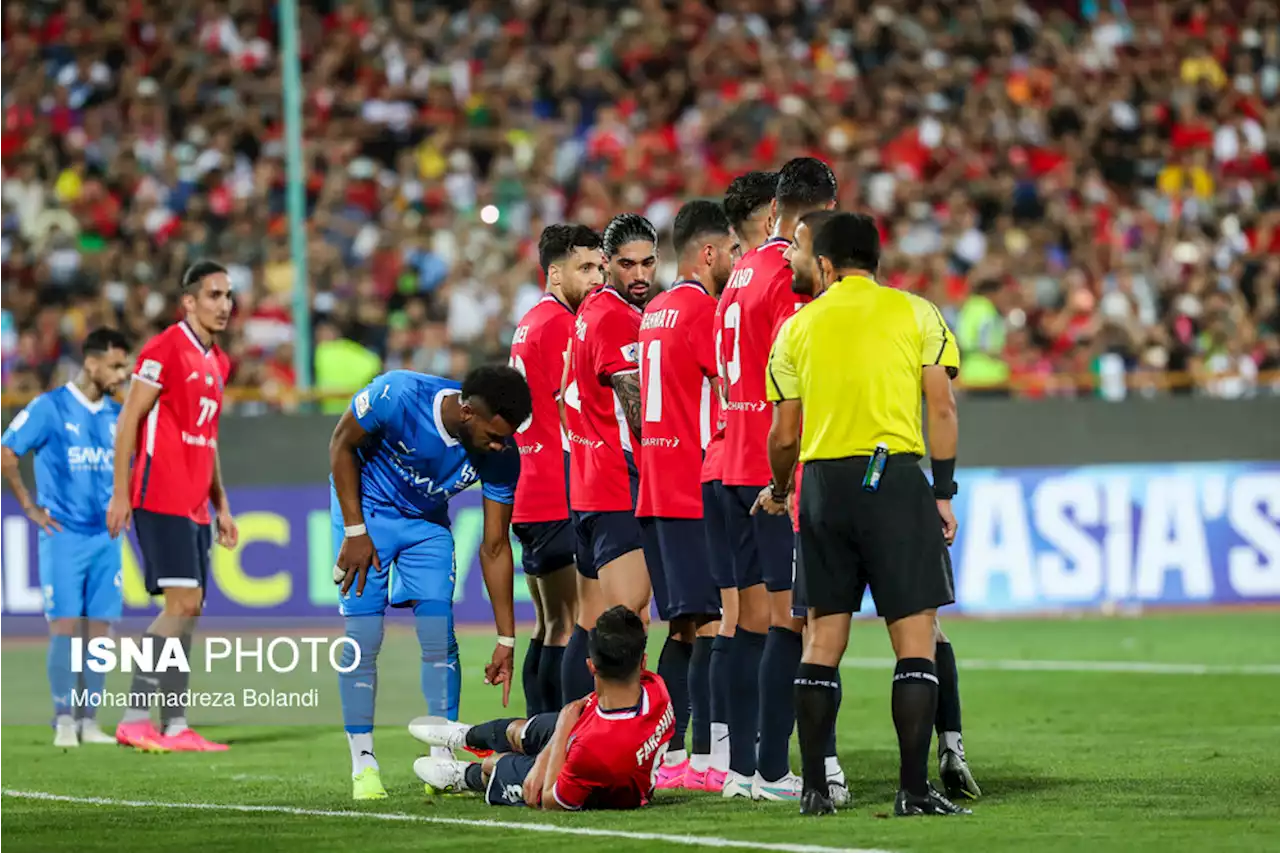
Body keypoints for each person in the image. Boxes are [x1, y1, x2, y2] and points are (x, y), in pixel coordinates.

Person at [756, 211, 971, 817]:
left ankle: (816, 789)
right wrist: (944, 491)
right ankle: (912, 789)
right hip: (896, 478)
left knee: (822, 641)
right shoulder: (917, 313)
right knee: (914, 641)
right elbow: (943, 407)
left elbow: (783, 433)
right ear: (876, 261)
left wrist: (780, 487)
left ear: (824, 265)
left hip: (823, 485)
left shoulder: (798, 327)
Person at [328, 364, 532, 800]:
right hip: (367, 514)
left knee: (440, 637)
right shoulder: (397, 395)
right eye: (494, 435)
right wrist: (354, 532)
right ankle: (363, 763)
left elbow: (495, 546)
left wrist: (506, 640)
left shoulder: (501, 455)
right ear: (466, 413)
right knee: (363, 640)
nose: (501, 445)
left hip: (427, 526)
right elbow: (341, 445)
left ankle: (442, 759)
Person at [713, 158, 836, 801]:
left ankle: (738, 771)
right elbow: (801, 368)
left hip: (728, 461)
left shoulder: (736, 275)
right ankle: (773, 769)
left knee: (748, 625)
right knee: (796, 624)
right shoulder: (791, 275)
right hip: (772, 469)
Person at [107, 261, 240, 754]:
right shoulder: (164, 348)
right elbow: (128, 422)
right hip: (158, 493)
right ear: (188, 302)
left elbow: (208, 440)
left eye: (228, 295)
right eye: (214, 294)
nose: (224, 304)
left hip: (195, 504)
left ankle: (174, 724)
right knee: (181, 605)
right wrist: (121, 492)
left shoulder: (219, 362)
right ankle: (135, 718)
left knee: (189, 611)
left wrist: (221, 504)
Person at [636, 200, 737, 792]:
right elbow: (725, 387)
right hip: (690, 487)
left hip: (653, 489)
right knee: (712, 625)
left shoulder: (654, 311)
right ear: (707, 253)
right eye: (728, 250)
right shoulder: (701, 310)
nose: (733, 260)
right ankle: (705, 758)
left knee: (681, 627)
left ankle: (671, 754)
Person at [408, 605, 673, 811]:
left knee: (497, 765)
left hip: (594, 777)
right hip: (603, 742)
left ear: (591, 666)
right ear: (643, 663)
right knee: (522, 731)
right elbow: (606, 708)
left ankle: (465, 776)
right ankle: (464, 735)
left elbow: (549, 800)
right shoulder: (655, 688)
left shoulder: (592, 751)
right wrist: (561, 731)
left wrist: (561, 732)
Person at [0, 327, 130, 748]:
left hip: (106, 537)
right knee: (65, 626)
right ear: (91, 363)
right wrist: (29, 506)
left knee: (100, 630)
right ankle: (63, 719)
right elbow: (6, 452)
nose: (123, 373)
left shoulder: (117, 414)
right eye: (115, 365)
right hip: (64, 536)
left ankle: (89, 720)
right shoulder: (50, 408)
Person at [509, 224, 604, 716]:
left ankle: (535, 735)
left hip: (529, 488)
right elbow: (574, 406)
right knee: (570, 624)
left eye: (598, 267)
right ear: (554, 273)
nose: (596, 278)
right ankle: (557, 738)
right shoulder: (563, 326)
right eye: (585, 268)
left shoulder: (531, 322)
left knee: (548, 624)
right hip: (555, 487)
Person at [562, 213, 658, 702]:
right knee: (627, 626)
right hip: (619, 488)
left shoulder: (588, 312)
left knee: (588, 626)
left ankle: (565, 737)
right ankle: (609, 737)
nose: (639, 275)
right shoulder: (618, 317)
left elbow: (566, 397)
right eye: (626, 264)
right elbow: (640, 415)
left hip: (586, 486)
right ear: (605, 262)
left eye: (648, 263)